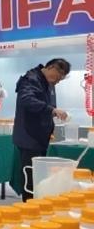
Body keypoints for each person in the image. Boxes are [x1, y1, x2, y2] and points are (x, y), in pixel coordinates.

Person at [14, 58, 70, 202]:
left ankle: (37, 205)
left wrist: (52, 119)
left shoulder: (49, 83)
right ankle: (29, 206)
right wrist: (51, 110)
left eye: (61, 80)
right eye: (58, 77)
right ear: (51, 67)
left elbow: (48, 106)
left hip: (41, 138)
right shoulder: (30, 79)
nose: (57, 81)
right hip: (29, 137)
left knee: (39, 177)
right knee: (30, 176)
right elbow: (26, 100)